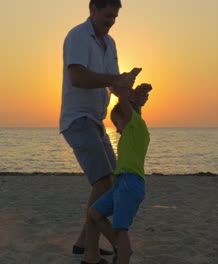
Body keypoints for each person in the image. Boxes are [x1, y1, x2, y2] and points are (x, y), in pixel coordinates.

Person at [60, 0, 148, 257]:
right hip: (77, 118)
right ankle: (90, 252)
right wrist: (114, 79)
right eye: (107, 15)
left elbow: (115, 87)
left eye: (115, 17)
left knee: (114, 180)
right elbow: (77, 77)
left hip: (96, 120)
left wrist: (132, 95)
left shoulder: (110, 44)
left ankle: (82, 242)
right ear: (93, 10)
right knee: (103, 180)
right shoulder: (78, 35)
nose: (111, 21)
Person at [81, 83, 152, 264]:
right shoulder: (132, 130)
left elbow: (128, 109)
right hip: (121, 183)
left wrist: (123, 90)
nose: (117, 130)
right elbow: (130, 110)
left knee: (122, 230)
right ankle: (121, 248)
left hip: (130, 183)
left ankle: (123, 254)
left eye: (117, 123)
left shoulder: (136, 127)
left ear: (127, 119)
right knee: (95, 213)